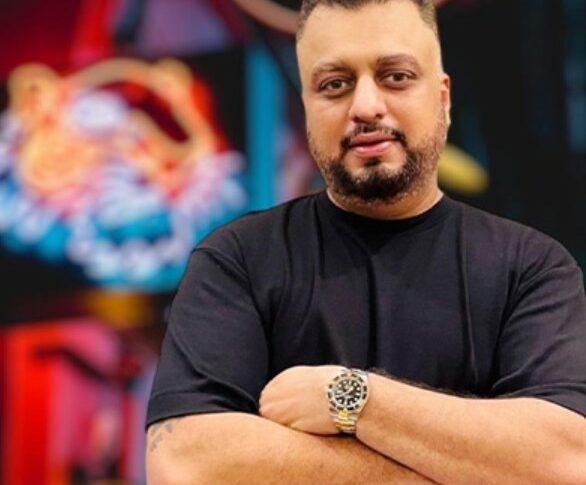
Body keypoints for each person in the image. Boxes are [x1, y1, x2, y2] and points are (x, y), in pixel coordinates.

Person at [145, 0, 586, 483]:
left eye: (395, 77)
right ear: (308, 108)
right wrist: (459, 469)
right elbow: (184, 465)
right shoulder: (237, 260)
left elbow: (567, 464)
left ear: (443, 97)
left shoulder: (531, 268)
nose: (366, 107)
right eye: (335, 85)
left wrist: (348, 397)